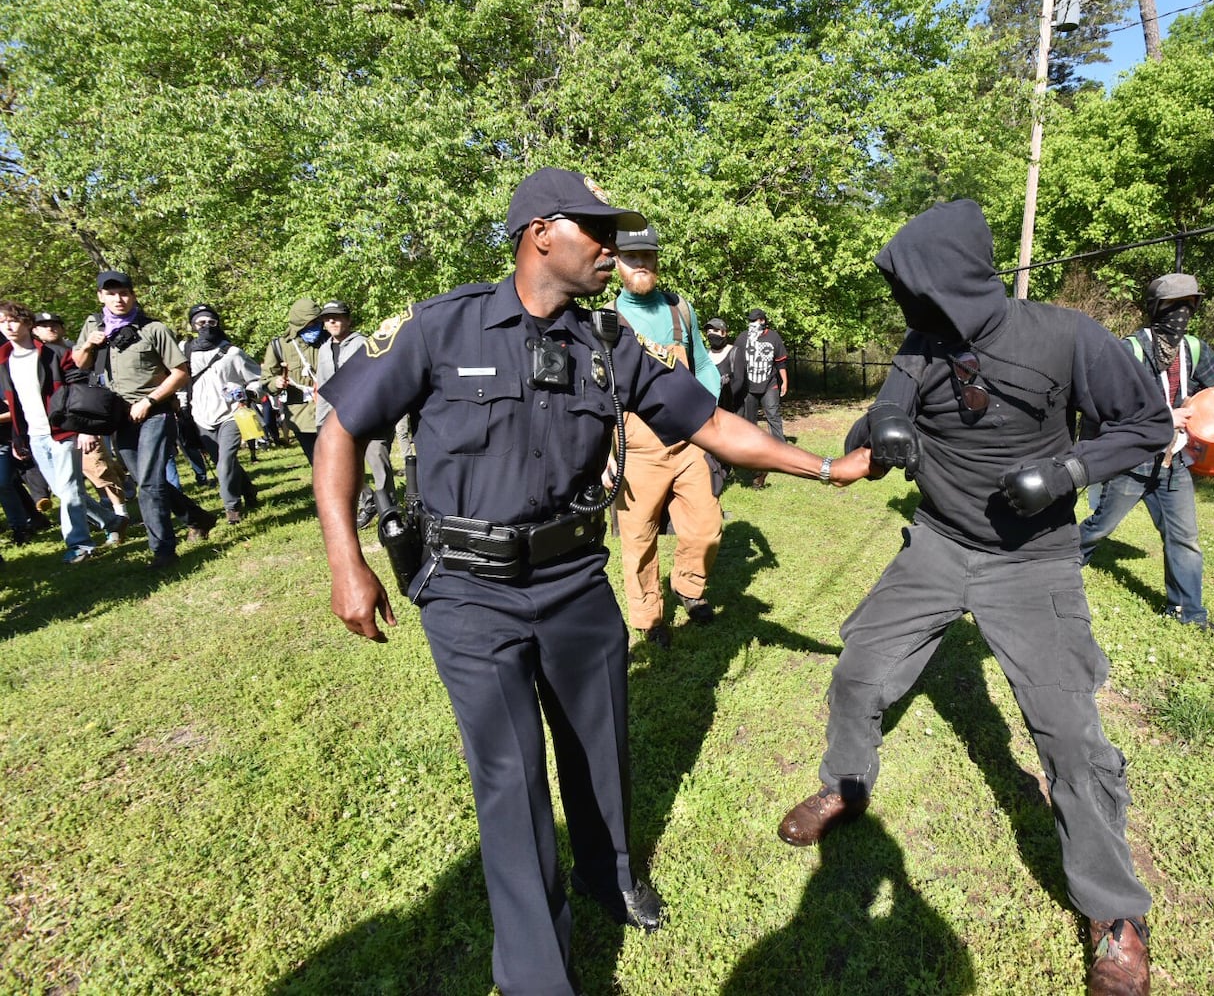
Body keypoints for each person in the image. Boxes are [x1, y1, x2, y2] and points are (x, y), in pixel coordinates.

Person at [313, 166, 869, 996]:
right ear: (541, 231)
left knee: (600, 746)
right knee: (511, 776)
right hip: (469, 590)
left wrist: (824, 466)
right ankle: (539, 976)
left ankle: (608, 877)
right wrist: (344, 561)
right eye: (596, 232)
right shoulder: (441, 327)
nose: (612, 249)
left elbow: (714, 424)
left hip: (575, 579)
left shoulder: (609, 346)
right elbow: (341, 432)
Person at [775, 200, 1173, 996]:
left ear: (952, 280)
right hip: (938, 545)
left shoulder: (1064, 335)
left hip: (1034, 559)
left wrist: (1068, 473)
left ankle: (1116, 915)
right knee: (860, 669)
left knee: (1067, 733)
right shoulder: (924, 344)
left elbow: (1146, 423)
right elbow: (884, 410)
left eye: (915, 288)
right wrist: (884, 426)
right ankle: (846, 784)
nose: (908, 307)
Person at [1077, 273, 1214, 633]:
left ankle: (1188, 612)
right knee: (1102, 526)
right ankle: (1062, 565)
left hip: (1173, 463)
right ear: (1154, 309)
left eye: (1188, 305)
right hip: (1132, 462)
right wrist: (1165, 417)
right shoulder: (1128, 350)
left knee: (1184, 538)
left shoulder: (1196, 350)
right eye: (1172, 306)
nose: (1181, 313)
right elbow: (1107, 407)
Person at [608, 224, 723, 646]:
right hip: (636, 448)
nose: (640, 264)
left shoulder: (681, 309)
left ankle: (689, 588)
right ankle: (649, 618)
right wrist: (605, 448)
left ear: (657, 259)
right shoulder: (605, 321)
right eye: (630, 257)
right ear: (615, 262)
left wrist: (708, 415)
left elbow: (705, 365)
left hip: (689, 441)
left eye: (647, 256)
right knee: (639, 541)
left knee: (707, 527)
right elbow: (599, 393)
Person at [74, 272, 217, 569]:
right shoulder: (93, 326)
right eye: (111, 293)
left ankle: (163, 551)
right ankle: (199, 518)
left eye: (124, 292)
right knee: (147, 481)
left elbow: (180, 372)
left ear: (133, 295)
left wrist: (149, 400)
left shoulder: (153, 329)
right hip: (120, 418)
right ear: (101, 296)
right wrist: (88, 345)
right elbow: (79, 365)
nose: (118, 299)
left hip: (156, 412)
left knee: (150, 485)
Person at [0, 301, 122, 562]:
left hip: (63, 431)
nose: (8, 326)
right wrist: (18, 437)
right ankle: (112, 521)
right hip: (34, 435)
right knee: (63, 490)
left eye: (12, 320)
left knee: (68, 488)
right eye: (2, 322)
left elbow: (80, 389)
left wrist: (85, 430)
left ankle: (79, 545)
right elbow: (14, 402)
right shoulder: (4, 359)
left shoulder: (53, 354)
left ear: (28, 324)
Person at [33, 311, 133, 527]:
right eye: (43, 325)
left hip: (83, 422)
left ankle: (120, 515)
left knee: (99, 468)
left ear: (63, 328)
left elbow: (87, 392)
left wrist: (87, 429)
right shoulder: (33, 357)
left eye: (54, 324)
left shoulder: (74, 352)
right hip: (49, 427)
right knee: (67, 484)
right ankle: (111, 517)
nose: (50, 328)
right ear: (35, 330)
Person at [314, 300, 395, 529]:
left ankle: (389, 511)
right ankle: (367, 502)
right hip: (337, 419)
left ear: (348, 320)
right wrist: (321, 422)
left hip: (368, 416)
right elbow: (323, 386)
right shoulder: (324, 349)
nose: (332, 321)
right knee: (346, 465)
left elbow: (379, 381)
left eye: (337, 317)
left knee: (378, 462)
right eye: (328, 318)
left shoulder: (365, 344)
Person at [185, 304, 262, 524]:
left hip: (232, 414)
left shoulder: (232, 352)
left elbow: (257, 378)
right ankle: (249, 490)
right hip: (201, 416)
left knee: (225, 461)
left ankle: (231, 507)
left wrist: (249, 393)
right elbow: (181, 382)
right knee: (224, 461)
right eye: (201, 323)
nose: (206, 327)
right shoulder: (186, 351)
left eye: (211, 322)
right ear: (192, 325)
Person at [263, 298, 326, 464]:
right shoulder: (279, 346)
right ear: (299, 323)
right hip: (301, 415)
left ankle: (356, 489)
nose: (316, 327)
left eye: (318, 321)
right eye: (310, 323)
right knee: (317, 461)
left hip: (331, 410)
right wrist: (275, 383)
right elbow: (266, 380)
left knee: (340, 458)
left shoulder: (328, 339)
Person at [735, 307, 788, 488]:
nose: (753, 324)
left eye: (755, 321)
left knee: (773, 415)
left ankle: (781, 452)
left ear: (763, 321)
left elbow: (781, 361)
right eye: (750, 321)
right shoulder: (742, 338)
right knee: (749, 421)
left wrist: (784, 382)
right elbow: (735, 362)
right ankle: (750, 451)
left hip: (769, 384)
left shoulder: (773, 337)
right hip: (748, 386)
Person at [704, 317, 747, 413]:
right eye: (708, 331)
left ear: (724, 333)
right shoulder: (705, 354)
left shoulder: (734, 352)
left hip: (733, 409)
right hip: (709, 408)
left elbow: (739, 380)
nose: (711, 334)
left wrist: (724, 398)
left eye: (715, 330)